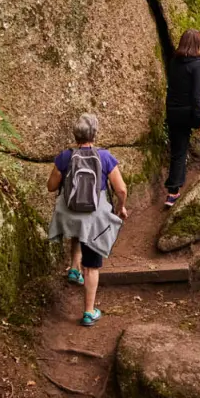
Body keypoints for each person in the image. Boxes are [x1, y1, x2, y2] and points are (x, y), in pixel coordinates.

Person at [47, 113, 127, 327]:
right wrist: (121, 207)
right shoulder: (105, 157)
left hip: (70, 215)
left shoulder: (65, 156)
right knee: (92, 267)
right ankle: (89, 312)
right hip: (93, 217)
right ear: (95, 134)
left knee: (77, 226)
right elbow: (121, 189)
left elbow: (51, 186)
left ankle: (74, 268)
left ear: (75, 135)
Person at [164, 28, 200, 207]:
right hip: (190, 111)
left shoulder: (175, 61)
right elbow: (197, 96)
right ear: (198, 45)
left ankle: (172, 193)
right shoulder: (197, 64)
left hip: (173, 112)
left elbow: (181, 83)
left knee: (178, 152)